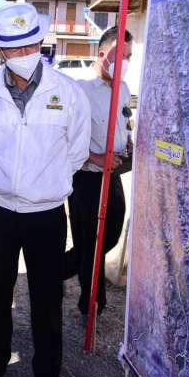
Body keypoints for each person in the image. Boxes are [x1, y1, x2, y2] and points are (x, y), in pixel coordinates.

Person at [0, 3, 91, 377]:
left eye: (30, 45)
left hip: (46, 214)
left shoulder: (68, 92)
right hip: (0, 211)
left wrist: (43, 184)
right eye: (13, 48)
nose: (23, 54)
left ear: (40, 42)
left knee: (46, 298)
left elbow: (76, 153)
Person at [65, 27, 132, 325]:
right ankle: (91, 305)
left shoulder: (124, 89)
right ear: (102, 54)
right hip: (86, 178)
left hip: (113, 174)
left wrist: (126, 143)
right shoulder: (79, 90)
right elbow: (65, 138)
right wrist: (95, 157)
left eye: (129, 56)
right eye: (121, 56)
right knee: (90, 242)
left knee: (110, 234)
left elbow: (123, 124)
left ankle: (55, 269)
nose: (126, 62)